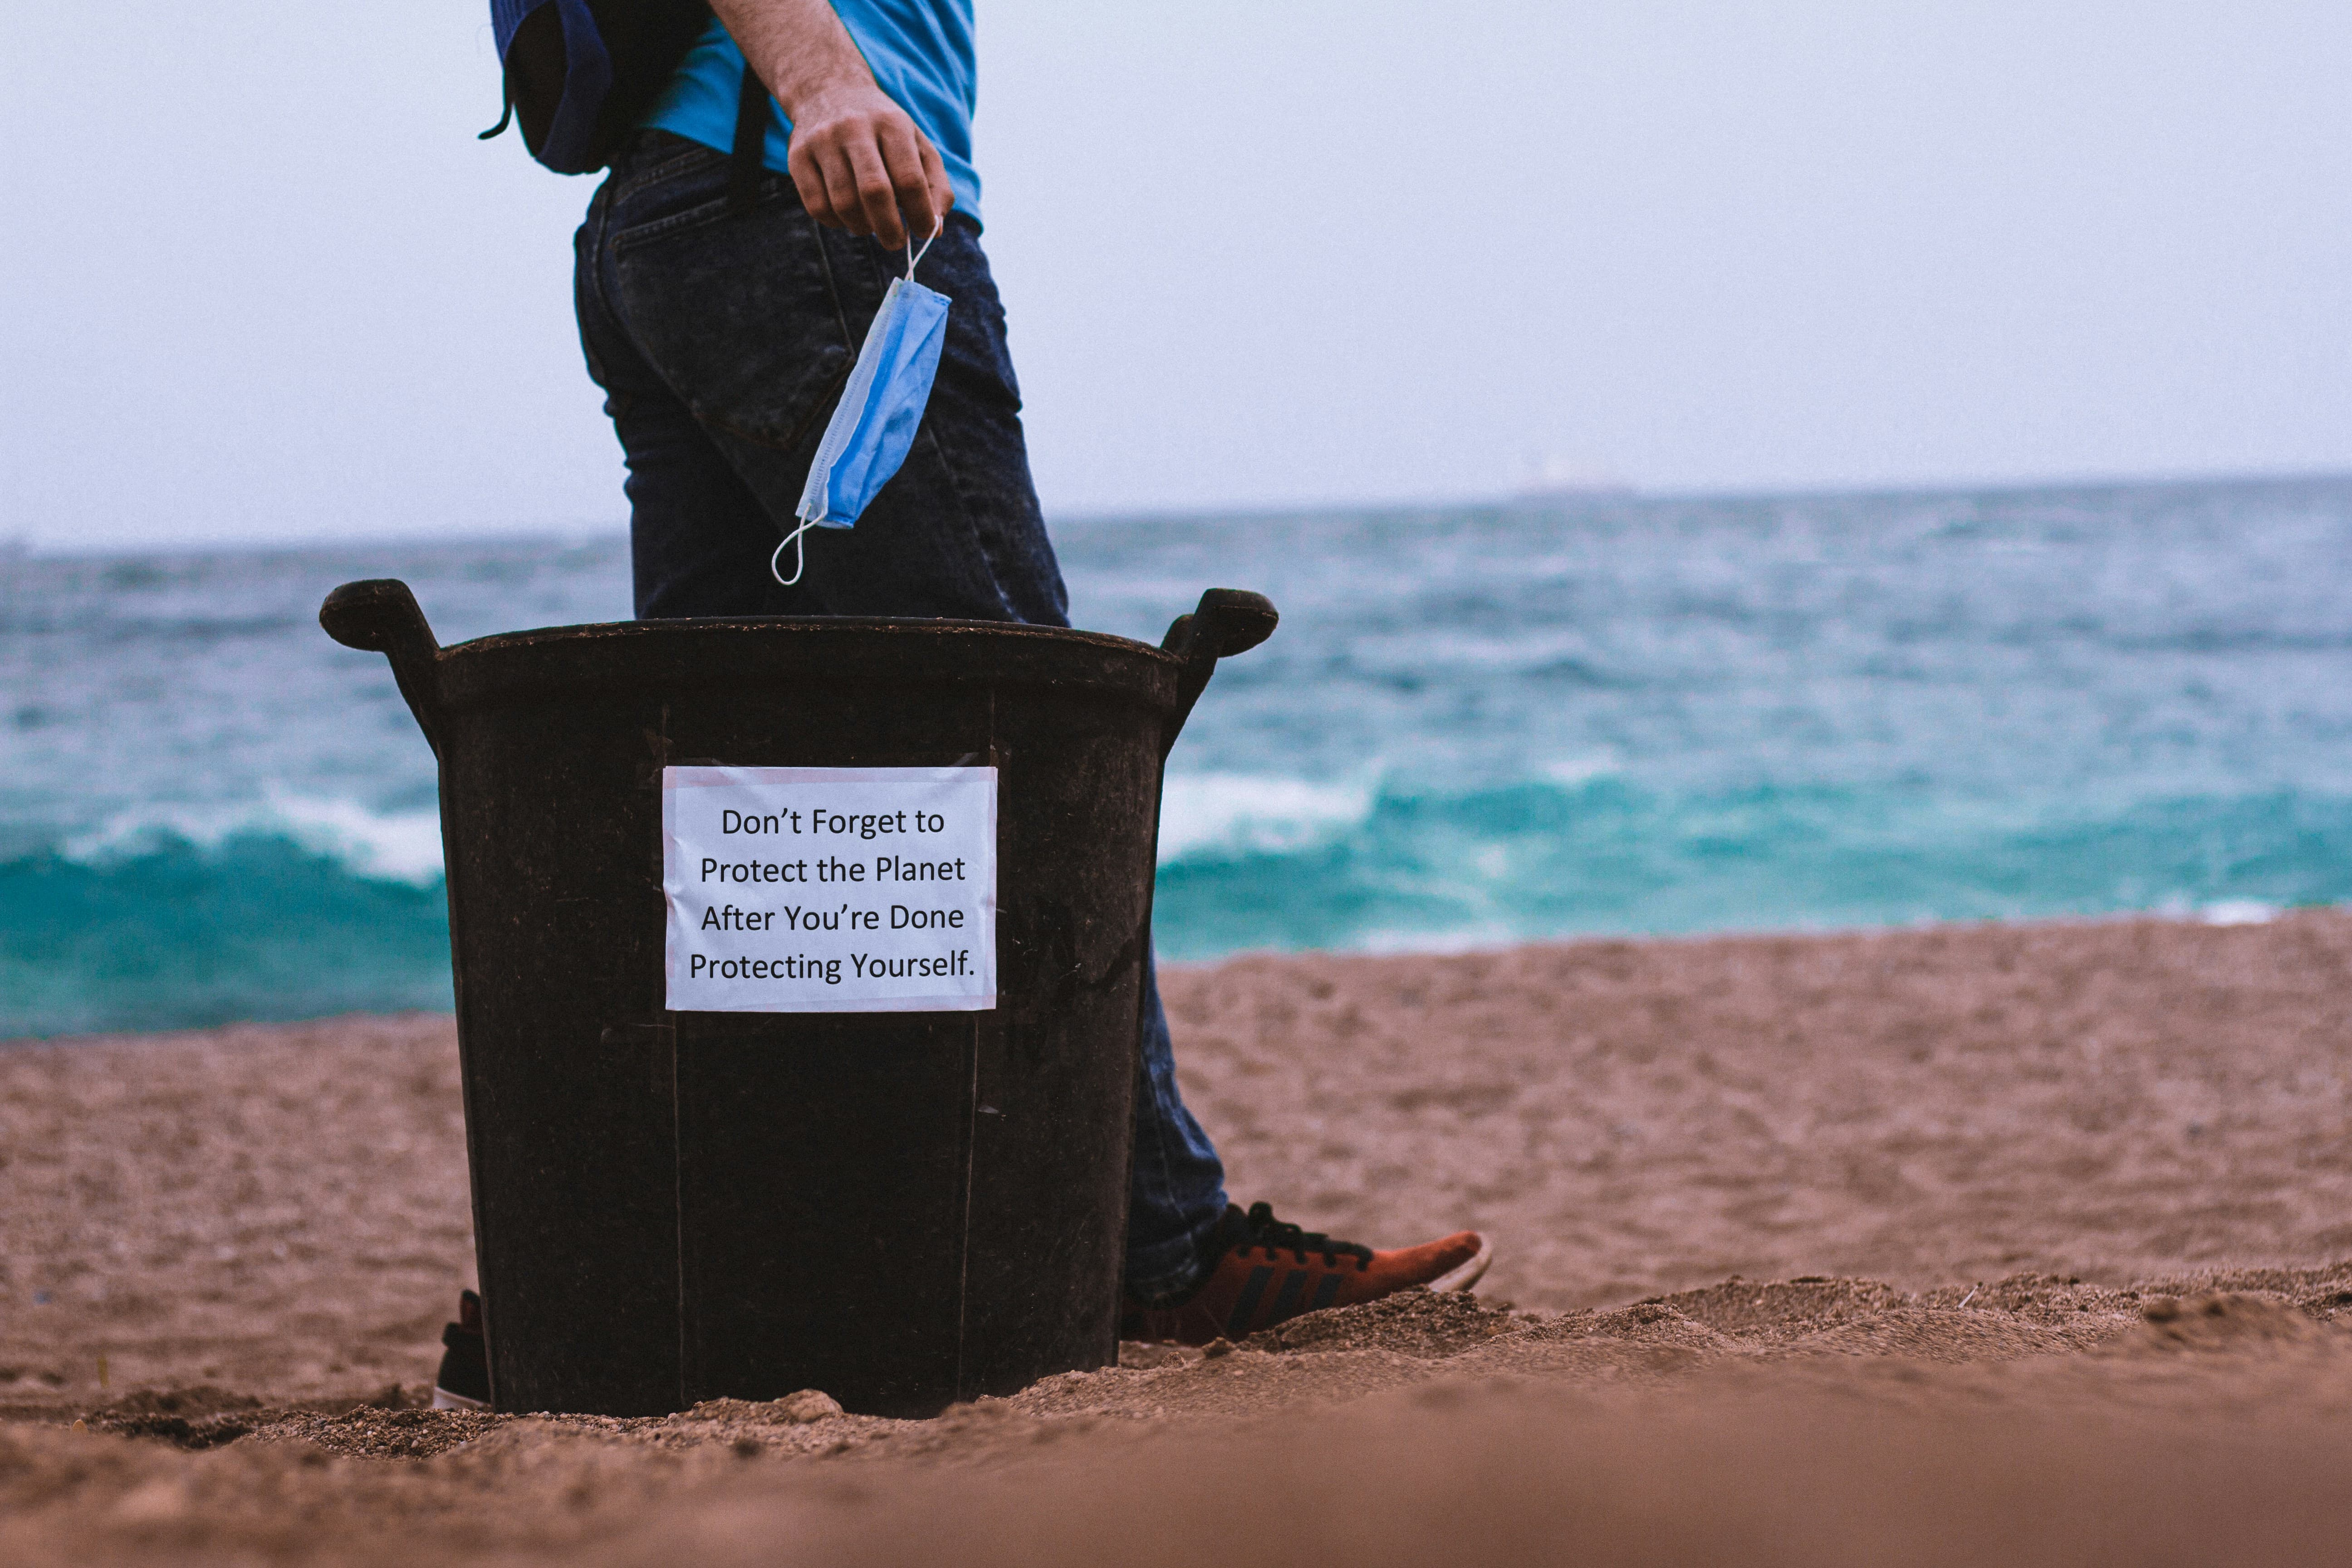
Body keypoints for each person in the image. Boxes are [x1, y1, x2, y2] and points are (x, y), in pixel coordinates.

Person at [434, 0, 1486, 1408]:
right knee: (1028, 748)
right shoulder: (817, 141)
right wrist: (825, 86)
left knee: (726, 807)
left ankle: (620, 1288)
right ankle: (1170, 1255)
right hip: (815, 208)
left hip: (670, 229)